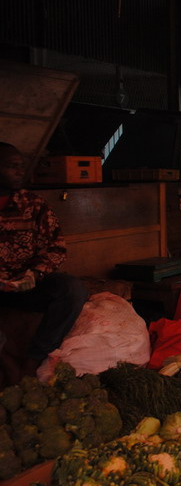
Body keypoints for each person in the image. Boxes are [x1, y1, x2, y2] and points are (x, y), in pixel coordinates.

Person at [0, 143, 87, 381]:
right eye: (12, 166)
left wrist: (34, 275)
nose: (20, 171)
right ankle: (6, 363)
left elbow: (55, 247)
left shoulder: (32, 204)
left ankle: (33, 360)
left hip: (26, 285)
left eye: (21, 166)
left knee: (72, 289)